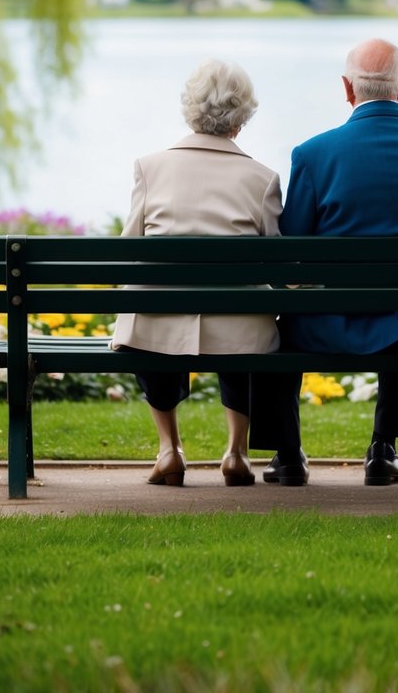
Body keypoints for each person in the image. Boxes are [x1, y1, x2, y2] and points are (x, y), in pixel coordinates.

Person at [276, 38, 398, 487]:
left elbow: (289, 259)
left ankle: (288, 455)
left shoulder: (312, 155)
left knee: (277, 326)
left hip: (338, 323)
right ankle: (383, 448)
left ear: (347, 89)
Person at [111, 58, 305, 488]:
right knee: (244, 329)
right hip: (239, 330)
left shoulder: (150, 167)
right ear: (242, 119)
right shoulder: (262, 179)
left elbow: (127, 254)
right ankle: (236, 453)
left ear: (190, 110)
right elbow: (280, 269)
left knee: (150, 321)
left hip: (155, 327)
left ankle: (170, 450)